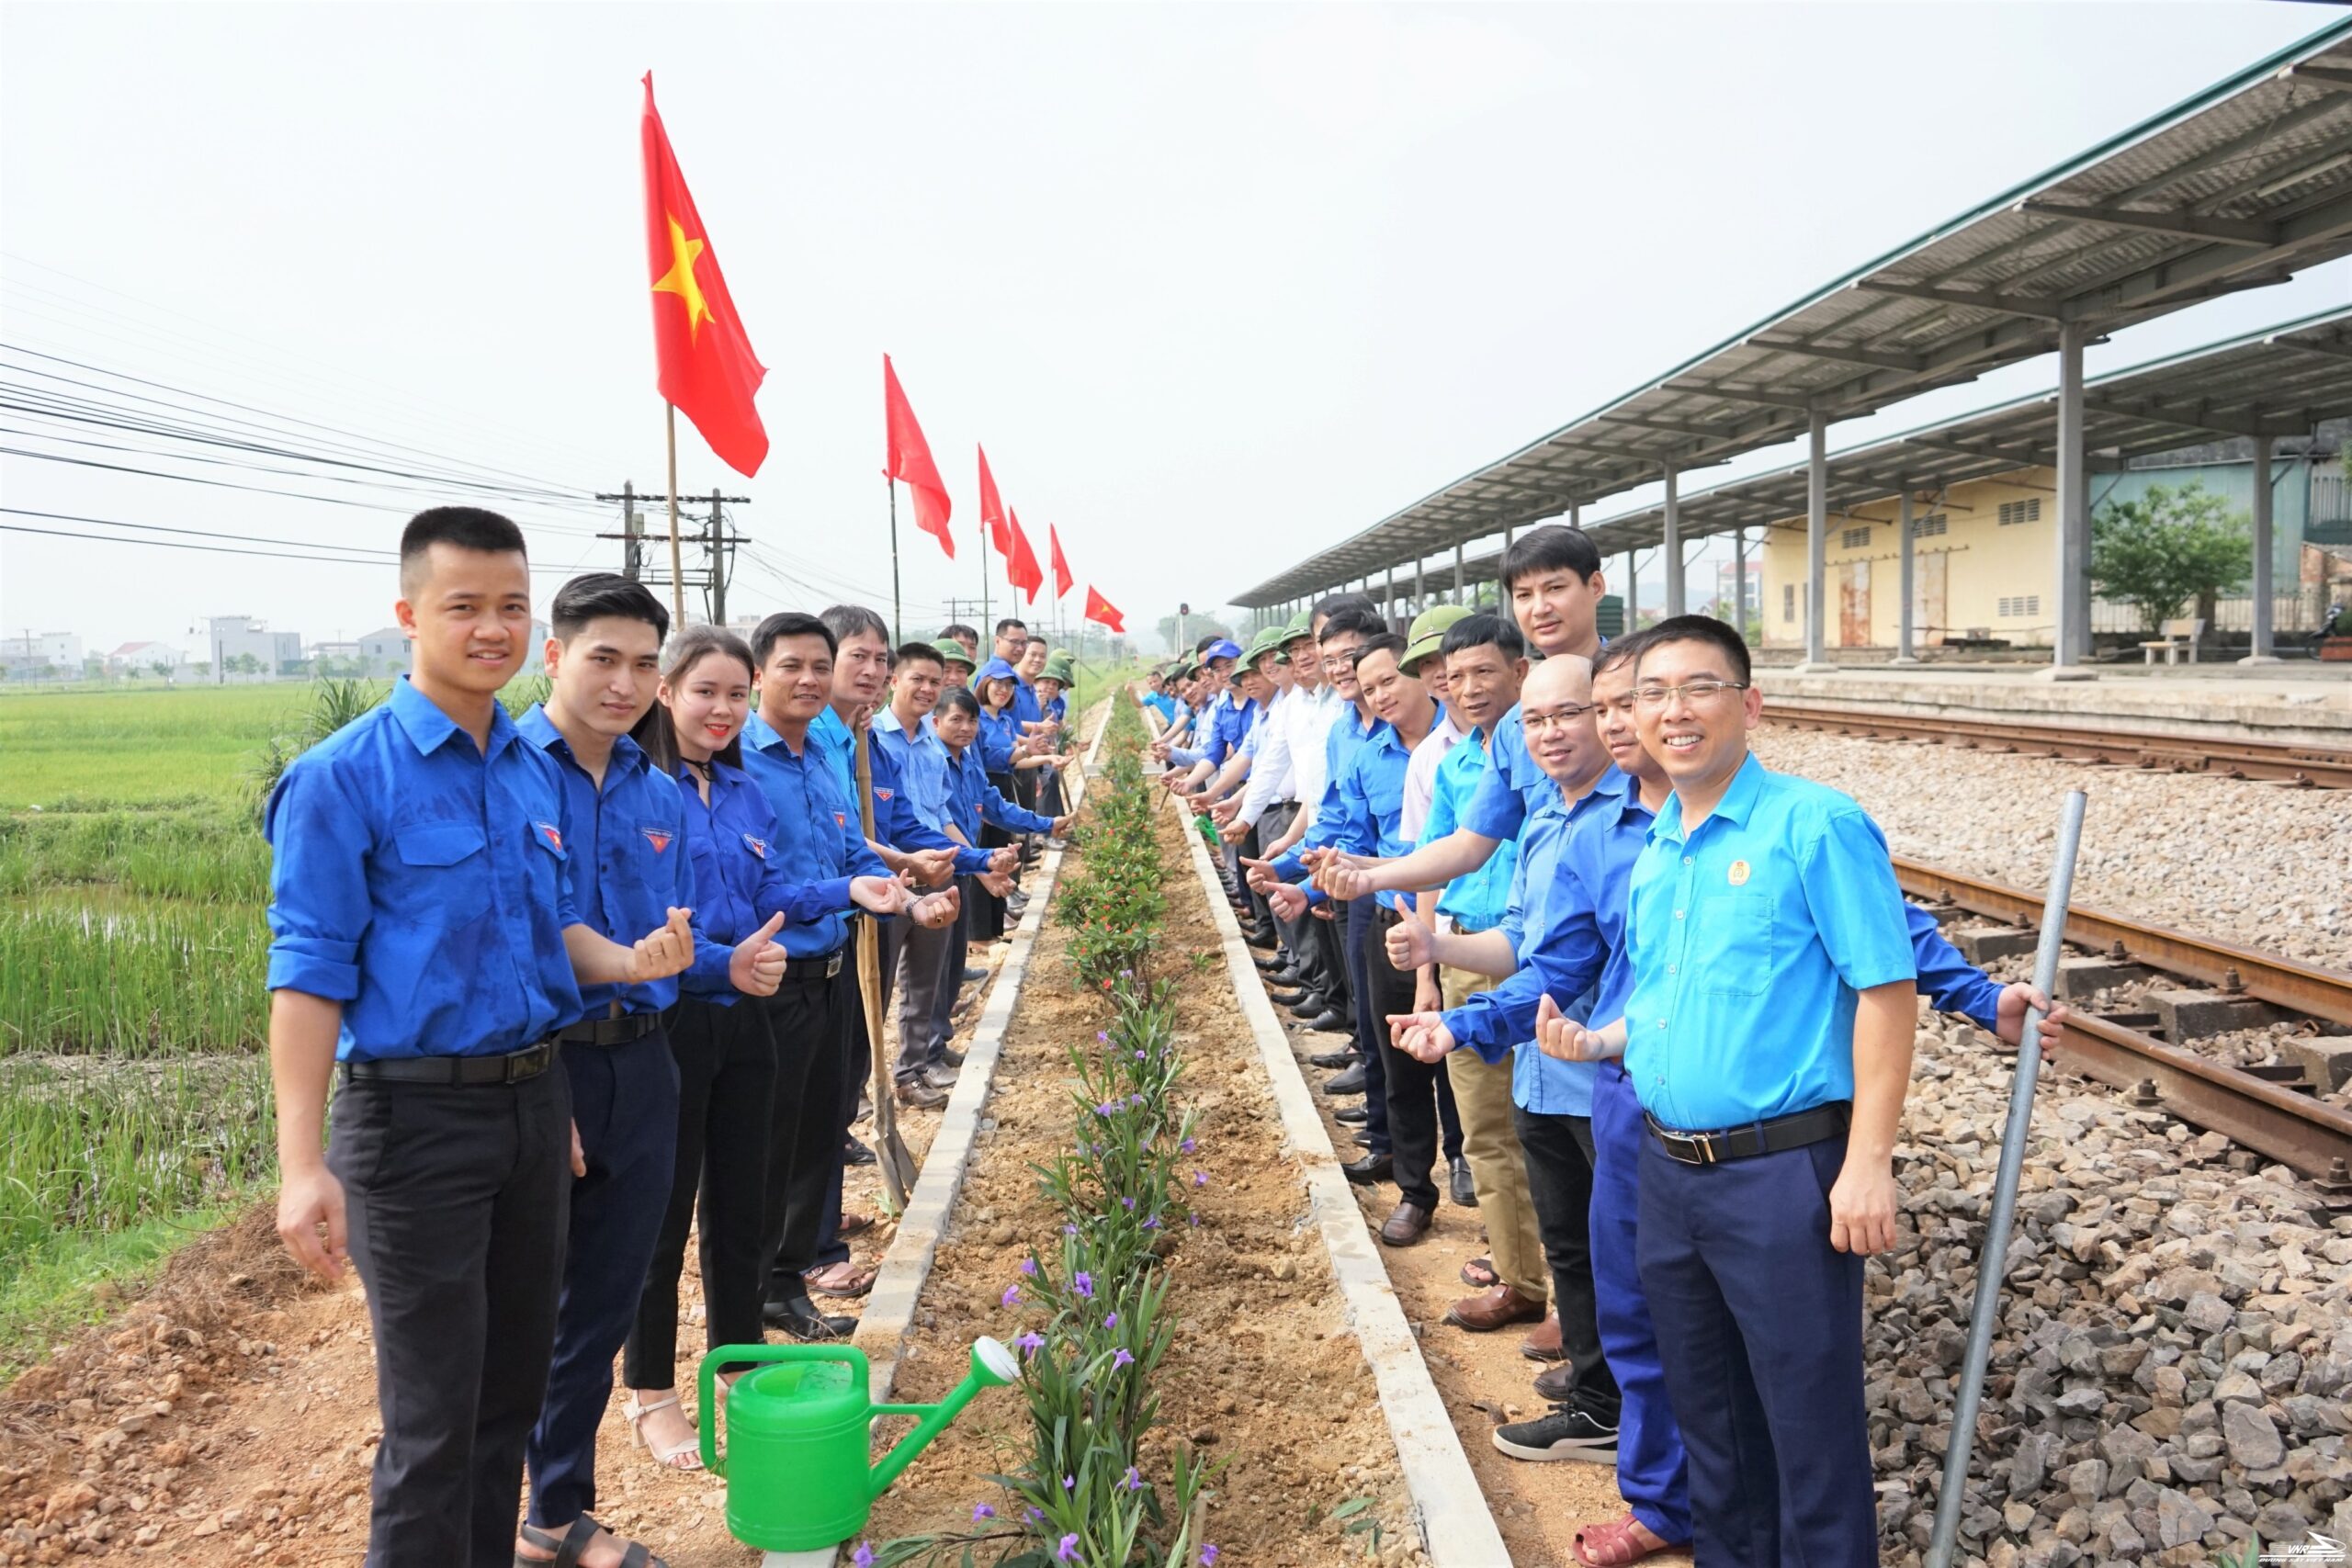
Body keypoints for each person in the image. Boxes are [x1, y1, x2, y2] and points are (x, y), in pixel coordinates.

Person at [264, 507, 699, 1568]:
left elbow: (547, 935)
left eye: (510, 605)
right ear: (410, 614)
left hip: (527, 1104)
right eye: (465, 606)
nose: (491, 628)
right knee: (434, 1419)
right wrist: (301, 1163)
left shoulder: (518, 768)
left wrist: (630, 965)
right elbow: (309, 972)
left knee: (511, 1394)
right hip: (411, 1121)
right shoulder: (344, 776)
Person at [1535, 614, 1918, 1566]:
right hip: (1669, 1174)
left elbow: (1886, 990)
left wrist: (1867, 1162)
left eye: (1698, 687)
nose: (1674, 711)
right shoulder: (1662, 843)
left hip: (1780, 1173)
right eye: (1652, 693)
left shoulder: (1815, 823)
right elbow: (1668, 991)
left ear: (1747, 703)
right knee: (1712, 1421)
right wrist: (1600, 1038)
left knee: (1805, 1425)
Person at [514, 576, 759, 1567]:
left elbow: (671, 940)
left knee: (608, 1296)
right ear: (555, 657)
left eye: (639, 664)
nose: (621, 682)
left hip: (644, 1065)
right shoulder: (506, 776)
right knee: (528, 1301)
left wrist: (723, 964)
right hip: (548, 1066)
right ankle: (498, 1504)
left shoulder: (660, 795)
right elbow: (514, 939)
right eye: (599, 658)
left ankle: (555, 1511)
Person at [620, 626, 906, 1477]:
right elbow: (641, 926)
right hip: (671, 1021)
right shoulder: (638, 793)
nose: (721, 709)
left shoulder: (740, 790)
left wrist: (846, 887)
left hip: (749, 1014)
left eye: (734, 694)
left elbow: (769, 889)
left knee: (746, 1199)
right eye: (704, 691)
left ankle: (738, 1361)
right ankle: (650, 1392)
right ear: (665, 691)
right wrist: (725, 961)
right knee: (664, 1212)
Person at [739, 612, 951, 1341]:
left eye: (817, 667)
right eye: (791, 665)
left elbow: (848, 853)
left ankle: (793, 1275)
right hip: (771, 977)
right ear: (758, 673)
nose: (808, 679)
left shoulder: (820, 756)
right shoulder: (737, 760)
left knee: (820, 1127)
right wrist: (850, 892)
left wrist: (910, 897)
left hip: (828, 968)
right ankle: (762, 1283)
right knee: (771, 1139)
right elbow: (760, 886)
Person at [1399, 609, 1544, 1325]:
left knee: (1547, 1127)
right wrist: (1427, 967)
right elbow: (1435, 862)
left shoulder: (1549, 749)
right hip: (1462, 950)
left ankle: (1561, 1287)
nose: (1469, 688)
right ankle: (1521, 1277)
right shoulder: (1455, 762)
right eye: (1454, 677)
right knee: (1485, 1128)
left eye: (1484, 670)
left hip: (1535, 961)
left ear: (1520, 670)